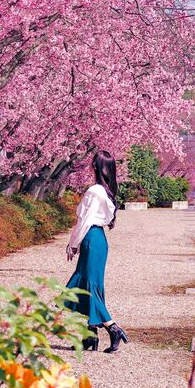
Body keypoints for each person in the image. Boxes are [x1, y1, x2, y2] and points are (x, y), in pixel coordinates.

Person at [65, 150, 128, 353]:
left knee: (89, 286)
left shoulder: (94, 191)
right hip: (99, 239)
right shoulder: (106, 191)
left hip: (91, 238)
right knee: (89, 284)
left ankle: (113, 328)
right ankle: (90, 335)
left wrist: (72, 243)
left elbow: (85, 220)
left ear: (96, 167)